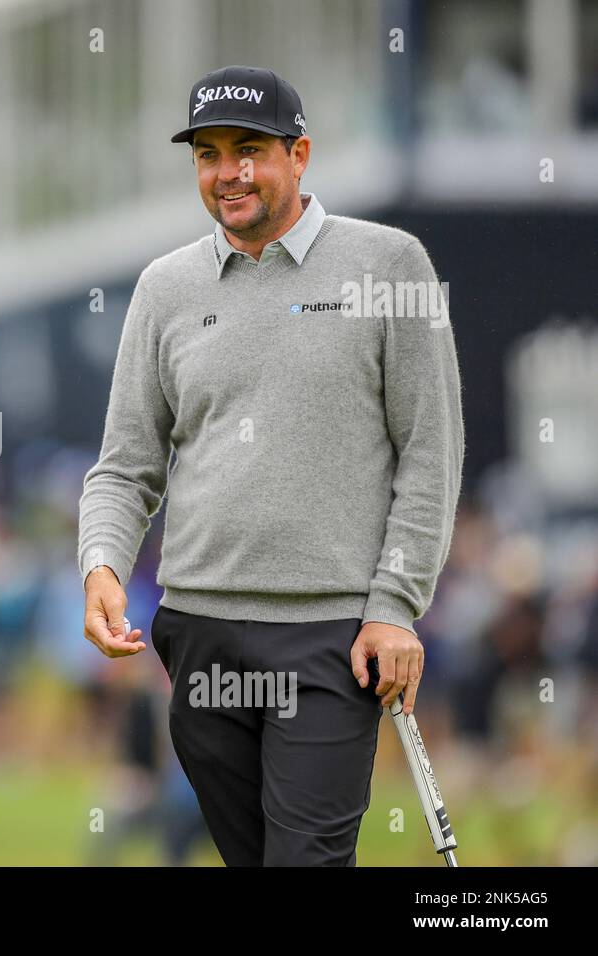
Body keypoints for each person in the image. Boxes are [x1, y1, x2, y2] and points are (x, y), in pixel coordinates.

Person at [77, 66, 464, 866]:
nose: (228, 174)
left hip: (330, 636)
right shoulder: (165, 288)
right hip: (199, 634)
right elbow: (125, 466)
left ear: (300, 154)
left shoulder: (391, 265)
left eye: (249, 150)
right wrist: (103, 562)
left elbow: (431, 450)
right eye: (208, 154)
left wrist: (396, 603)